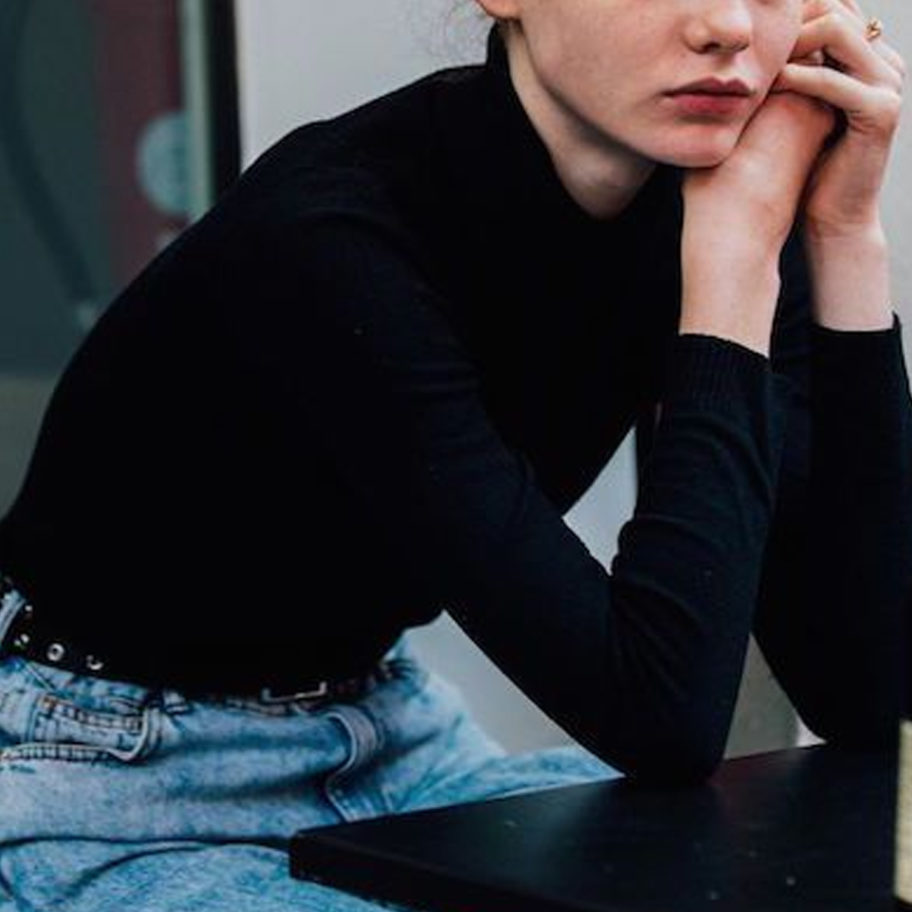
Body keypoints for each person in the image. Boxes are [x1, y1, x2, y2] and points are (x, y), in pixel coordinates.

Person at [0, 0, 909, 909]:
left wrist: (842, 233)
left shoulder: (716, 210)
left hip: (389, 731)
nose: (729, 26)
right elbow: (661, 719)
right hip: (106, 769)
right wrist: (734, 263)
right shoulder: (330, 232)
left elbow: (869, 700)